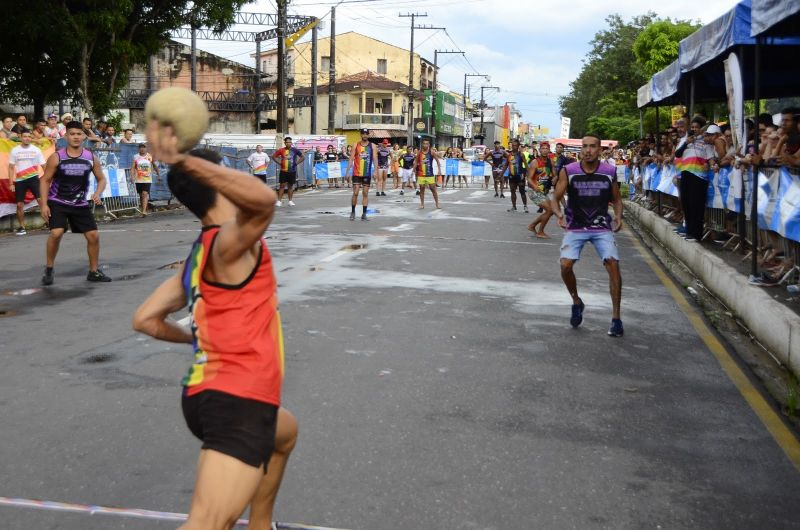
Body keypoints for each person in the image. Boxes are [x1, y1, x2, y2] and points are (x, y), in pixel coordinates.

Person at [131, 142, 297, 530]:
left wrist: (196, 340)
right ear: (220, 183)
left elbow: (145, 319)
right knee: (207, 523)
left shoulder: (199, 255)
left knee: (284, 434)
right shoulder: (229, 244)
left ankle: (261, 524)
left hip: (206, 395)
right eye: (229, 173)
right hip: (237, 402)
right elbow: (264, 201)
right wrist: (187, 161)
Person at [551, 133, 623, 337]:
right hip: (576, 225)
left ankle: (616, 318)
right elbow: (555, 198)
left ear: (600, 150)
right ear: (580, 149)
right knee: (565, 265)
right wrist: (559, 215)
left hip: (601, 227)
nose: (588, 150)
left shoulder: (610, 171)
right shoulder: (569, 170)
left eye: (592, 146)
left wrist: (618, 216)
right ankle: (576, 301)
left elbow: (616, 199)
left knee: (613, 265)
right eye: (585, 146)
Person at [38, 121, 111, 285]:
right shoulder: (57, 157)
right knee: (56, 233)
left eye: (79, 134)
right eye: (72, 134)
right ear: (66, 136)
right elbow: (45, 180)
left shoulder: (91, 158)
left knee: (93, 236)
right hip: (58, 201)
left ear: (84, 136)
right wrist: (43, 204)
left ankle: (93, 272)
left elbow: (101, 179)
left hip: (79, 204)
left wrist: (97, 193)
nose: (76, 137)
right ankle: (49, 268)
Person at [674, 116, 711, 242]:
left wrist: (710, 163)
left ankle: (696, 234)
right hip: (686, 174)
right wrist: (686, 143)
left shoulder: (705, 141)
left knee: (697, 205)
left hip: (699, 176)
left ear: (701, 129)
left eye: (697, 127)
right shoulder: (686, 141)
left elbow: (710, 157)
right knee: (686, 203)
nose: (694, 129)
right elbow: (677, 154)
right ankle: (689, 231)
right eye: (693, 127)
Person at [8, 131, 46, 235]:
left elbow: (44, 166)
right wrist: (11, 183)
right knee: (19, 205)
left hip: (34, 178)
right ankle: (22, 227)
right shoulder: (15, 150)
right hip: (20, 180)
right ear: (20, 137)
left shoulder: (36, 150)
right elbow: (11, 168)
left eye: (29, 137)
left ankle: (50, 223)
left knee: (41, 201)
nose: (27, 138)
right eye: (25, 136)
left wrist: (47, 179)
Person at [346, 128, 378, 220]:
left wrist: (375, 171)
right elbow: (351, 158)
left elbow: (375, 159)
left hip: (367, 173)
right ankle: (353, 212)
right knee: (355, 193)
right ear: (361, 135)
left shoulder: (373, 146)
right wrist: (347, 171)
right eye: (363, 134)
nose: (365, 135)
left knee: (365, 193)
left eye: (366, 134)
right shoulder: (356, 145)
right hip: (356, 172)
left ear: (368, 135)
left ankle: (364, 214)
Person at [526, 142, 557, 238]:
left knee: (551, 211)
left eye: (546, 148)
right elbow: (529, 178)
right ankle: (540, 231)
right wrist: (535, 187)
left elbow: (555, 174)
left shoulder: (551, 162)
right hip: (534, 191)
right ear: (539, 150)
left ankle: (532, 226)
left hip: (544, 191)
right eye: (542, 148)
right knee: (549, 210)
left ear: (549, 150)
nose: (544, 150)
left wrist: (555, 178)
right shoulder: (535, 162)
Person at [271, 137, 304, 207]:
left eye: (290, 142)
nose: (289, 143)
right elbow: (273, 157)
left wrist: (296, 163)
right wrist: (279, 163)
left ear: (291, 143)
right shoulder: (281, 150)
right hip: (283, 171)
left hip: (292, 171)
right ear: (285, 143)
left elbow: (303, 157)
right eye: (287, 142)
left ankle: (290, 201)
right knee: (282, 186)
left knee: (290, 186)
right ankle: (279, 201)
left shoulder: (295, 150)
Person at [131, 143, 160, 217]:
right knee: (141, 195)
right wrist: (132, 176)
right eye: (141, 147)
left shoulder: (149, 156)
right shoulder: (135, 157)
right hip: (138, 179)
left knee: (145, 194)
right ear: (139, 148)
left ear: (146, 148)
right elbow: (133, 167)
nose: (142, 149)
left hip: (147, 179)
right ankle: (144, 208)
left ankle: (143, 211)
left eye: (144, 147)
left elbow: (154, 165)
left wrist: (158, 174)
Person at [413, 138, 442, 209]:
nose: (425, 145)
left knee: (433, 189)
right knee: (422, 189)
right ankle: (422, 204)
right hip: (421, 174)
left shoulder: (432, 152)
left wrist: (439, 170)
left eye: (427, 143)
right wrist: (413, 169)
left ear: (429, 145)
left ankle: (437, 204)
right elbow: (416, 161)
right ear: (422, 144)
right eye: (424, 143)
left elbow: (438, 161)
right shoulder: (419, 152)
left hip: (430, 174)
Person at [505, 138, 528, 213]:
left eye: (515, 145)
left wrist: (527, 175)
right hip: (511, 176)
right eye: (513, 145)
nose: (513, 147)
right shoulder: (509, 155)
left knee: (522, 192)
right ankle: (514, 206)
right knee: (512, 191)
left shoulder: (521, 155)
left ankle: (525, 206)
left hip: (520, 176)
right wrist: (501, 174)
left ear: (518, 146)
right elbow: (506, 165)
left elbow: (526, 165)